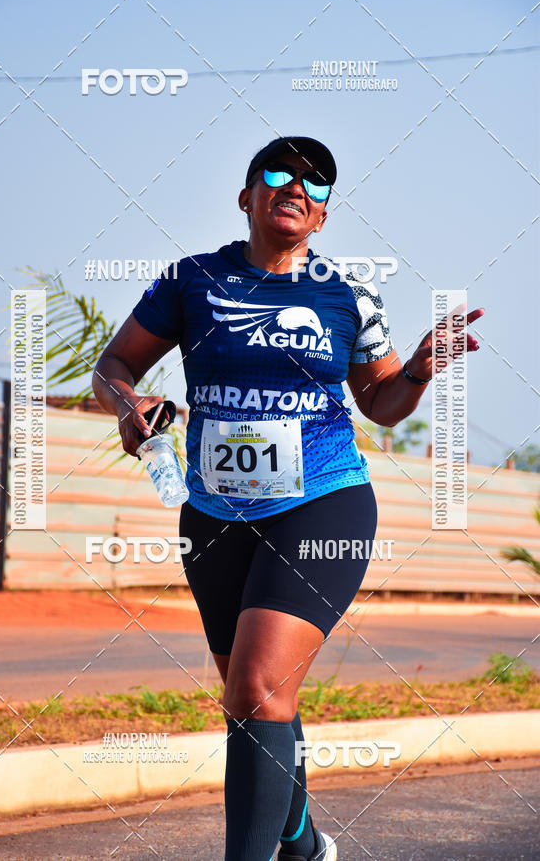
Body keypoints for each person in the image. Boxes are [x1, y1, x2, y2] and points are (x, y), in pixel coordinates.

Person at [92, 135, 483, 861]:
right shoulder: (191, 280)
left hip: (321, 503)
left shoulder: (348, 295)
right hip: (213, 513)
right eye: (278, 173)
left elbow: (381, 402)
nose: (297, 186)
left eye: (317, 182)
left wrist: (421, 373)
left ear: (324, 216)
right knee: (260, 703)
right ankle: (301, 840)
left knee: (255, 687)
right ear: (247, 197)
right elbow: (115, 361)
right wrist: (124, 403)